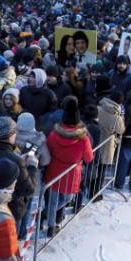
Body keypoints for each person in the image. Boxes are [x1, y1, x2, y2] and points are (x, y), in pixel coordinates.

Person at [42, 97, 94, 235]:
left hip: (54, 172)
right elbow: (89, 158)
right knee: (67, 198)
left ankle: (48, 219)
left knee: (53, 202)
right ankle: (51, 225)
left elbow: (48, 150)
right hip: (71, 174)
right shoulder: (83, 139)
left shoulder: (53, 134)